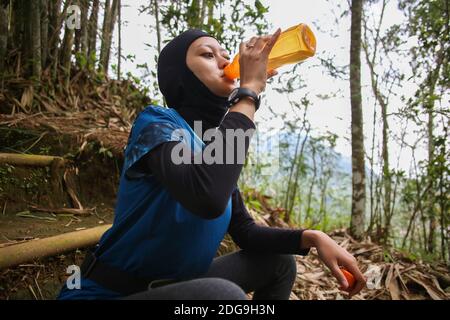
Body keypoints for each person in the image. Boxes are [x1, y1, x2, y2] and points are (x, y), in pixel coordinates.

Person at [57, 28, 366, 300]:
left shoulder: (212, 147)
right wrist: (249, 94)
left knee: (279, 262)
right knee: (221, 295)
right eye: (207, 54)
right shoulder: (157, 123)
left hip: (176, 288)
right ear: (181, 76)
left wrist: (311, 237)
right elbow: (206, 196)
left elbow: (244, 230)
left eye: (225, 54)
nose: (223, 61)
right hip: (110, 293)